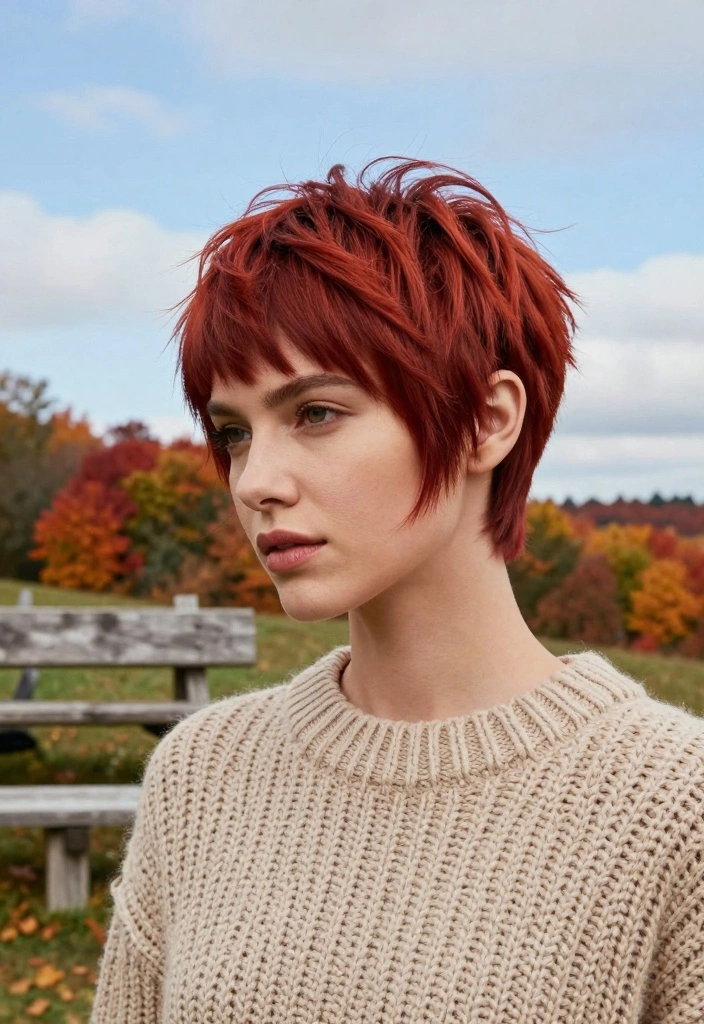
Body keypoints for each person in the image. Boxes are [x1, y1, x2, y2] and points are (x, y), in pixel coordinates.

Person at [90, 157, 704, 1023]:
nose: (255, 480)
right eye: (233, 432)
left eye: (316, 413)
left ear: (488, 421)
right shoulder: (202, 774)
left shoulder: (673, 805)